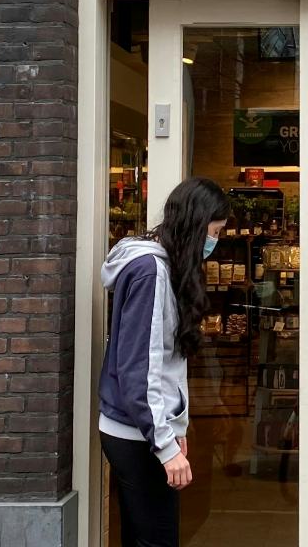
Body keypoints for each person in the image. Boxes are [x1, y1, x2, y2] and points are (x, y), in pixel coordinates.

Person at [99, 177, 231, 547]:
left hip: (136, 430)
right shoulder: (151, 273)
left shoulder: (156, 267)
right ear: (195, 226)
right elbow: (139, 370)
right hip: (137, 434)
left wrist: (174, 431)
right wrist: (166, 446)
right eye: (214, 232)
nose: (215, 242)